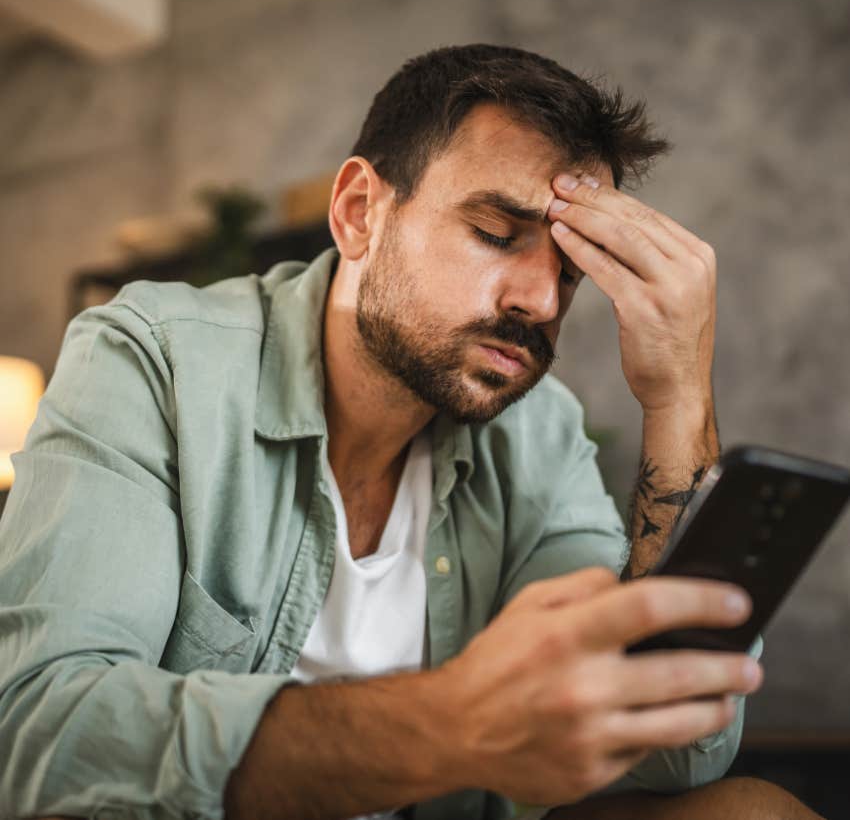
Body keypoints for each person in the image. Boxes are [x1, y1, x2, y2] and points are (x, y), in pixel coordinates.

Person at [0, 44, 822, 820]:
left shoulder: (538, 432)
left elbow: (671, 759)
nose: (540, 298)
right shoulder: (155, 358)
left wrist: (676, 400)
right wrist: (450, 725)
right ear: (360, 212)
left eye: (571, 270)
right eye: (497, 234)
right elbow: (43, 736)